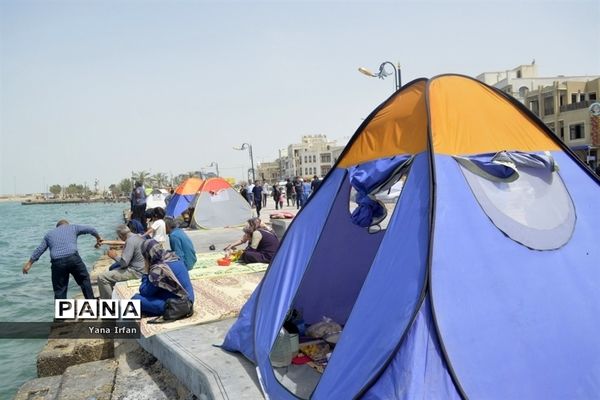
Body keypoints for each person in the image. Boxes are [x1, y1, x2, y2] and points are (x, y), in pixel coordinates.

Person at [22, 220, 103, 299]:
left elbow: (40, 250)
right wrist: (98, 238)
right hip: (73, 258)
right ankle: (91, 303)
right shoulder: (73, 227)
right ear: (67, 224)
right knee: (84, 280)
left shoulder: (49, 234)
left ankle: (61, 311)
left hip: (57, 262)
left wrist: (29, 263)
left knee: (60, 290)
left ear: (57, 227)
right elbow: (91, 229)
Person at [132, 239, 195, 317]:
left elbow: (144, 291)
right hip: (189, 300)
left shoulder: (158, 269)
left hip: (177, 306)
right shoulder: (174, 257)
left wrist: (146, 271)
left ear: (147, 255)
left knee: (135, 299)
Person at [97, 224, 145, 299]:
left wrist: (114, 256)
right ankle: (113, 295)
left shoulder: (130, 241)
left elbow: (124, 263)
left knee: (102, 277)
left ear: (120, 235)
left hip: (135, 272)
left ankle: (108, 303)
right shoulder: (139, 237)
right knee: (112, 271)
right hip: (142, 269)